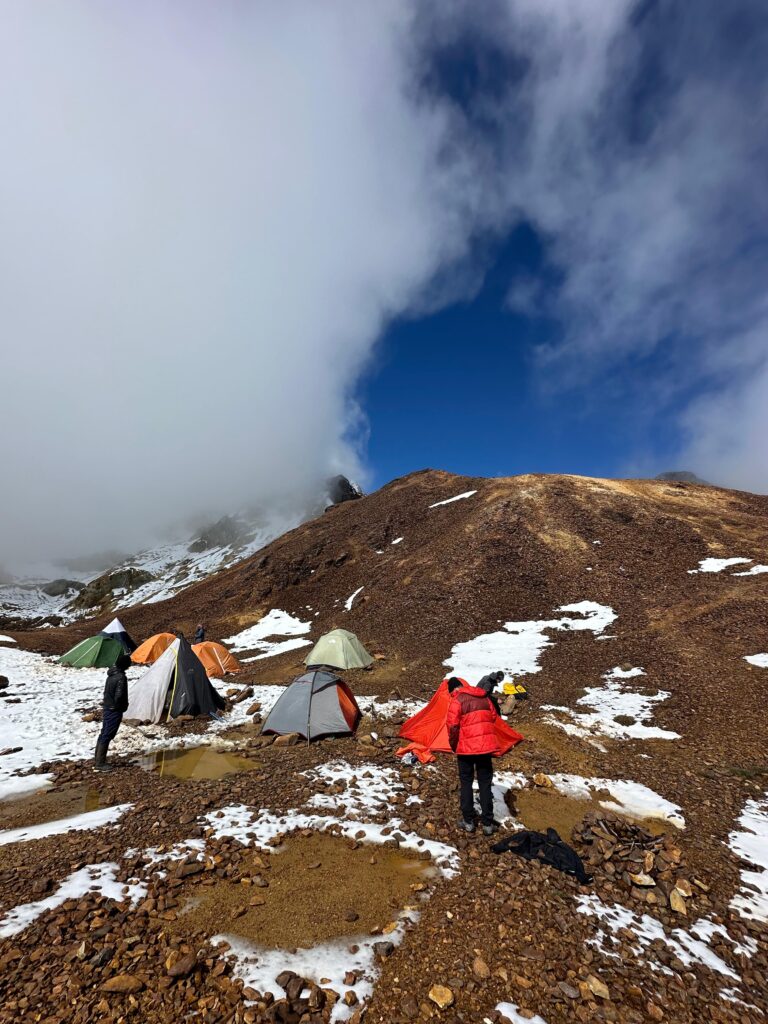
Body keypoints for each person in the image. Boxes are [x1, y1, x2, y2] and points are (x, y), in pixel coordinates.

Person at [446, 674, 502, 835]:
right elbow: (493, 717)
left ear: (454, 690)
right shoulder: (484, 697)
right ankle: (487, 824)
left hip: (466, 749)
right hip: (485, 748)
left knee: (466, 783)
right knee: (485, 783)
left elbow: (452, 726)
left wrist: (454, 744)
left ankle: (468, 821)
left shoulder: (457, 700)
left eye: (451, 693)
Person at [94, 653, 131, 772]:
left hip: (107, 707)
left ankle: (98, 760)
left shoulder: (111, 674)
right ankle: (100, 763)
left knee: (104, 733)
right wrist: (122, 706)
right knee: (108, 734)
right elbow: (119, 695)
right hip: (114, 709)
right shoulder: (121, 677)